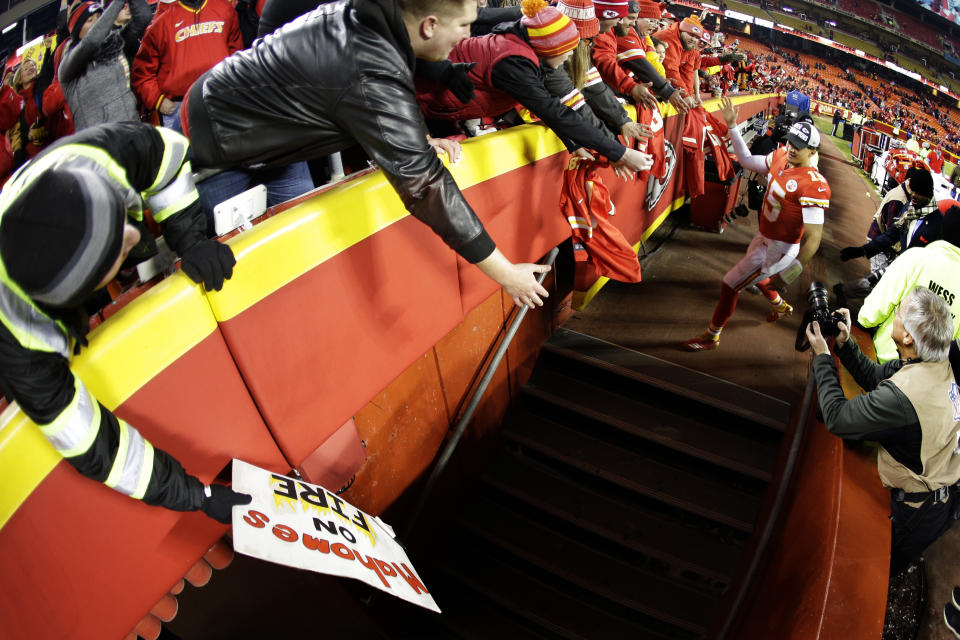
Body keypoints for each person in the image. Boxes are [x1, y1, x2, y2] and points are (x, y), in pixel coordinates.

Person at [183, 0, 552, 308]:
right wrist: (506, 274)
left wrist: (433, 80)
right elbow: (425, 186)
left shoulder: (372, 13)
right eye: (464, 25)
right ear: (429, 24)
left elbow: (376, 60)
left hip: (268, 133)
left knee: (291, 260)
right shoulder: (369, 75)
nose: (468, 36)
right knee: (243, 274)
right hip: (216, 142)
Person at [0, 122, 249, 523]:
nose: (134, 235)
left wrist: (192, 239)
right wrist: (194, 494)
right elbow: (94, 446)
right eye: (117, 252)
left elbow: (167, 163)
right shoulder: (20, 351)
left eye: (120, 221)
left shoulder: (105, 152)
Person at [806, 288, 960, 574]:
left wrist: (822, 357)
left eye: (899, 313)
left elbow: (838, 418)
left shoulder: (905, 396)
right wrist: (844, 344)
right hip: (939, 487)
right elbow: (878, 378)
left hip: (920, 511)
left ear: (908, 337)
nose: (895, 315)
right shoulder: (934, 360)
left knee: (880, 568)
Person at [416, 0, 653, 174]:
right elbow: (555, 110)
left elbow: (549, 105)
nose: (571, 55)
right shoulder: (512, 61)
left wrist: (576, 144)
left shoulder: (529, 53)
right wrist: (619, 152)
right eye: (568, 48)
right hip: (421, 109)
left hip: (436, 108)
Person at [683, 97, 829, 351]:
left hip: (780, 248)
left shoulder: (813, 185)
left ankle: (712, 335)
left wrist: (789, 274)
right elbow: (749, 161)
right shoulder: (782, 155)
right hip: (764, 235)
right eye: (791, 142)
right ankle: (780, 306)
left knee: (731, 284)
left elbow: (814, 240)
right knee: (758, 278)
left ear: (813, 151)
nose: (792, 148)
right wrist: (732, 127)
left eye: (800, 146)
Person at [858, 208, 960, 362]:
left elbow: (879, 303)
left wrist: (864, 321)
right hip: (926, 375)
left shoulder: (916, 257)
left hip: (886, 356)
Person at [58, 0, 152, 130]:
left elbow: (143, 16)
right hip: (100, 141)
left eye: (99, 18)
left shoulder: (115, 44)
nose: (97, 23)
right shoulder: (68, 65)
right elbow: (91, 41)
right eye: (90, 20)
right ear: (77, 30)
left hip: (132, 129)